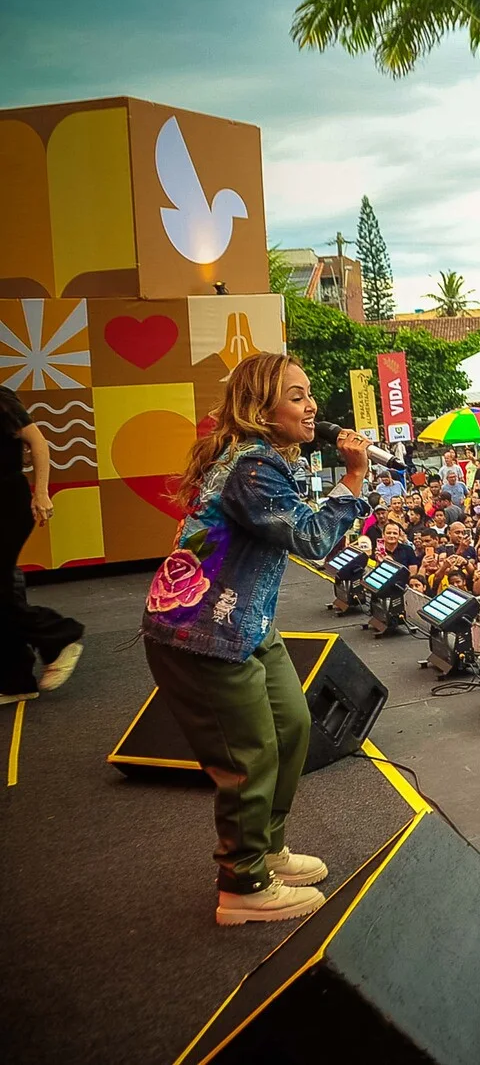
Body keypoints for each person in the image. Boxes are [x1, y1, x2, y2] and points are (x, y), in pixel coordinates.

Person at [139, 353, 372, 925]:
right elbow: (314, 538)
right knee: (249, 756)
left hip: (246, 621)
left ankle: (267, 849)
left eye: (309, 392)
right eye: (296, 396)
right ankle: (242, 883)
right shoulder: (253, 469)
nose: (312, 404)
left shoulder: (260, 461)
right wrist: (355, 476)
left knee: (292, 725)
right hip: (203, 632)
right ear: (259, 409)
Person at [0, 385, 84, 702]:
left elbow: (37, 440)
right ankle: (14, 680)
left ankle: (60, 635)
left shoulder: (1, 398)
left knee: (2, 591)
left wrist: (41, 492)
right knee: (4, 590)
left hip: (6, 502)